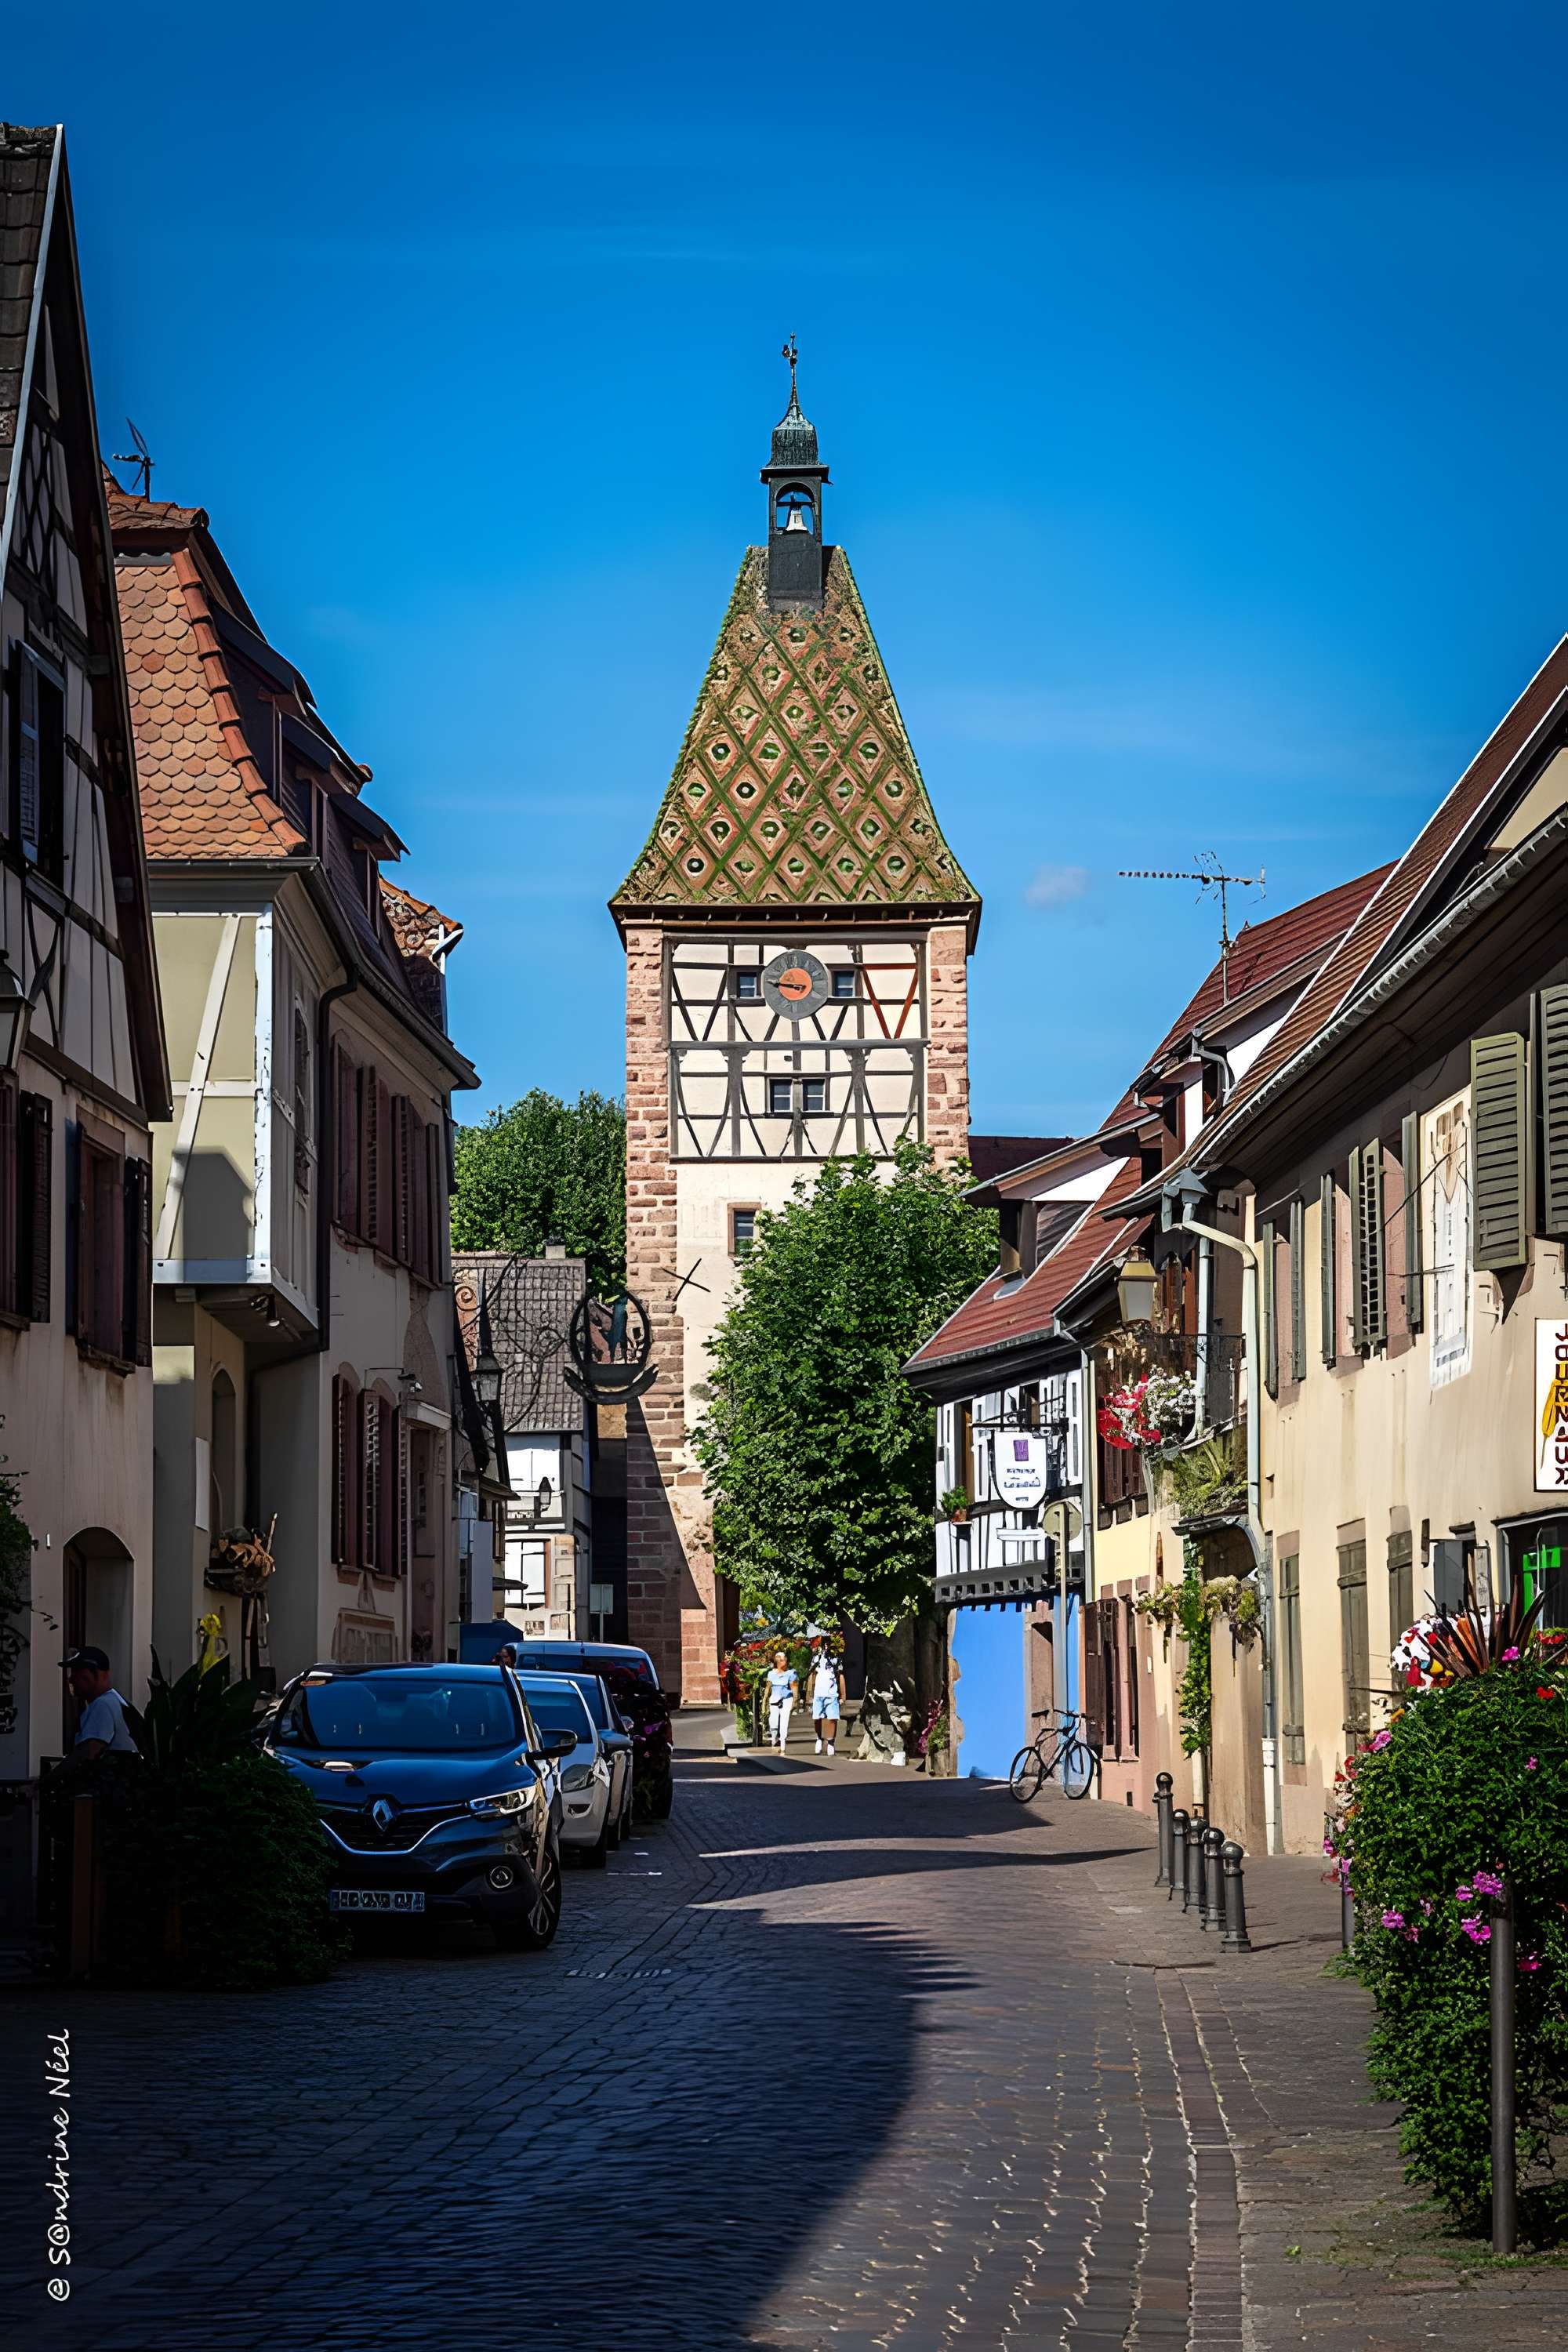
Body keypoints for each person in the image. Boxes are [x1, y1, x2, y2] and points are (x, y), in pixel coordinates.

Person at [60, 1647, 138, 1765]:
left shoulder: (103, 1705)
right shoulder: (115, 1701)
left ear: (95, 1675)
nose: (71, 1680)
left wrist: (47, 1781)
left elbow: (87, 1753)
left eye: (77, 1673)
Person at [808, 1641, 846, 1759]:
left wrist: (843, 1696)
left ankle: (830, 1742)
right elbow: (812, 1675)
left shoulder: (836, 1658)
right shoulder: (816, 1657)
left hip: (832, 1694)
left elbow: (841, 1676)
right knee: (817, 1718)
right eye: (824, 1642)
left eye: (828, 1643)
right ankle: (819, 1739)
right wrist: (809, 1694)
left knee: (832, 1719)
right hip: (818, 1694)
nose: (826, 1645)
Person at [764, 1650, 797, 1751]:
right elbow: (768, 1687)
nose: (781, 1662)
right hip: (774, 1698)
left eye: (783, 1660)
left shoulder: (791, 1673)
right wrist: (765, 1698)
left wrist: (795, 1701)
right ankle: (774, 1738)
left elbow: (794, 1687)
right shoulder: (771, 1673)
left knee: (784, 1721)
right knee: (773, 1721)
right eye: (779, 1660)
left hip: (786, 1699)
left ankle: (783, 1743)